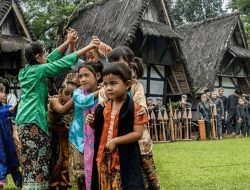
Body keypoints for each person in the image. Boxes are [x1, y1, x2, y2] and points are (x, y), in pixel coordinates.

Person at [15, 29, 100, 189]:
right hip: (34, 121)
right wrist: (88, 47)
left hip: (22, 122)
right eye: (44, 54)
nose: (47, 55)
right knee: (38, 162)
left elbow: (53, 57)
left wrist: (68, 42)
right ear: (38, 57)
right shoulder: (39, 70)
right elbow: (62, 62)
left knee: (30, 163)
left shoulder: (25, 71)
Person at [108, 46, 160, 189]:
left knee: (149, 178)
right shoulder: (108, 88)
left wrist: (142, 109)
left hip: (140, 142)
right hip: (120, 142)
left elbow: (141, 105)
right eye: (112, 64)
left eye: (119, 64)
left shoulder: (136, 86)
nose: (115, 68)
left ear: (130, 66)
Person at [91, 62, 147, 190]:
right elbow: (101, 129)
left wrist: (116, 141)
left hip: (124, 158)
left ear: (127, 84)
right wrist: (92, 123)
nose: (108, 88)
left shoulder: (135, 109)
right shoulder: (102, 107)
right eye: (105, 84)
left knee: (124, 184)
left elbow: (137, 134)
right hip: (104, 157)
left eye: (113, 83)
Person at [51, 61, 103, 190]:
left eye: (87, 75)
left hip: (97, 138)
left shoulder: (105, 93)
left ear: (97, 76)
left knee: (97, 172)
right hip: (78, 138)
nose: (83, 79)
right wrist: (101, 92)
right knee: (80, 176)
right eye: (80, 76)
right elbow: (83, 102)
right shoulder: (78, 93)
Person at [48, 73, 80, 190]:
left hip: (67, 137)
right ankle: (53, 185)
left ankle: (64, 185)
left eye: (73, 95)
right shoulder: (54, 100)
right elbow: (60, 112)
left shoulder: (77, 104)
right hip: (53, 137)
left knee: (66, 162)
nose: (69, 97)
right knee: (55, 162)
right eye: (67, 93)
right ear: (60, 91)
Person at [0, 83, 21, 189]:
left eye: (4, 91)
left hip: (7, 141)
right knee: (2, 160)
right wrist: (10, 110)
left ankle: (21, 184)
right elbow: (5, 112)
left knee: (13, 160)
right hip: (0, 143)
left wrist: (18, 105)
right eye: (1, 92)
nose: (4, 94)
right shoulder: (5, 109)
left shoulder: (5, 106)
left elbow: (14, 112)